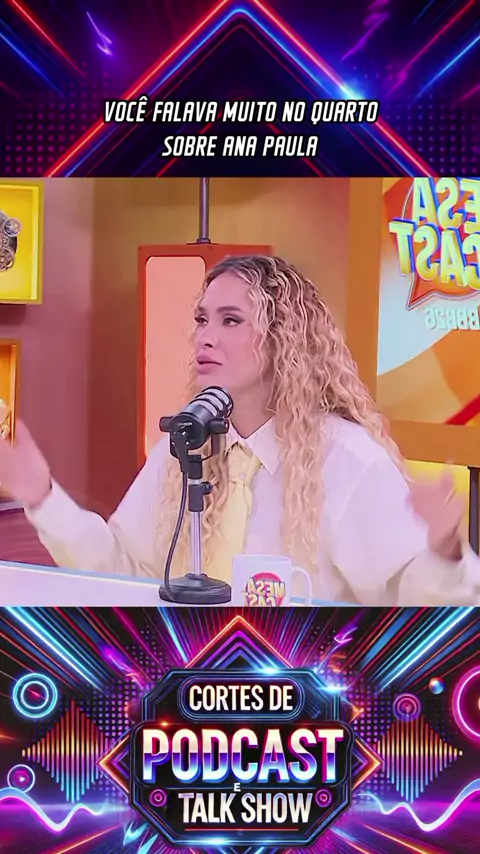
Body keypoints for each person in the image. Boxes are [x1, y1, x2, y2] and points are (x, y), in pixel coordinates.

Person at [0, 254, 478, 605]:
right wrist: (43, 498)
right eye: (202, 320)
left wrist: (444, 553)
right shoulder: (183, 446)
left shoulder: (347, 461)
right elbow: (125, 572)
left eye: (231, 321)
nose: (205, 337)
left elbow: (410, 605)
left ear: (283, 338)